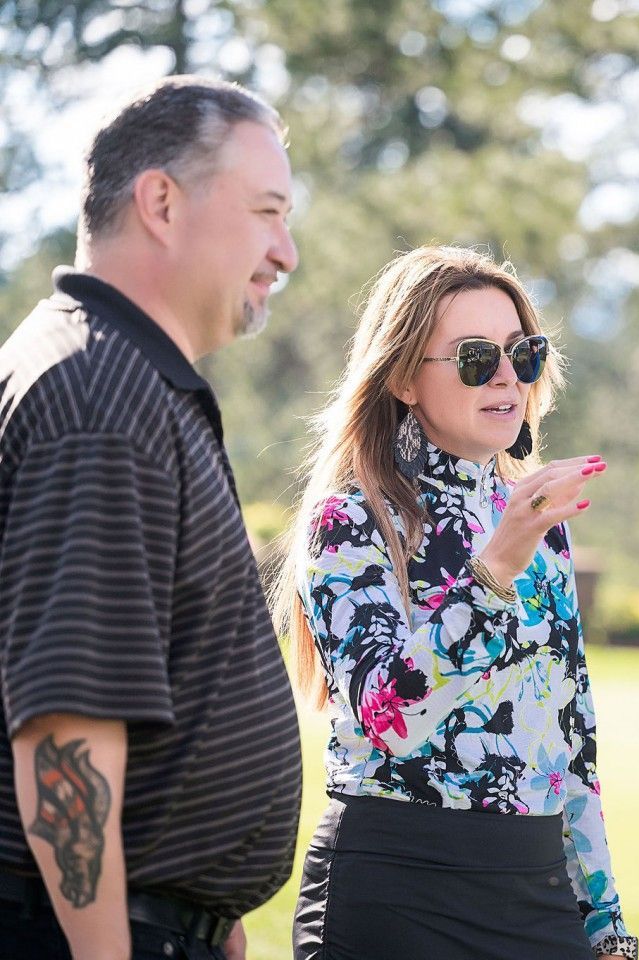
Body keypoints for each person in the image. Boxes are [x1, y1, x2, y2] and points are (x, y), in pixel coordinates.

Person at [0, 76, 303, 958]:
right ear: (162, 203)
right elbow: (67, 730)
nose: (285, 252)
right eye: (266, 212)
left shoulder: (124, 380)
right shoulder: (101, 399)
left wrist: (216, 913)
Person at [279, 245, 636, 959]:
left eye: (522, 354)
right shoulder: (350, 522)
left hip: (534, 895)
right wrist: (495, 569)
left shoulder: (542, 528)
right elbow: (388, 717)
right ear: (406, 377)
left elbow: (571, 746)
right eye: (476, 357)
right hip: (397, 892)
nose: (507, 377)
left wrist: (605, 924)